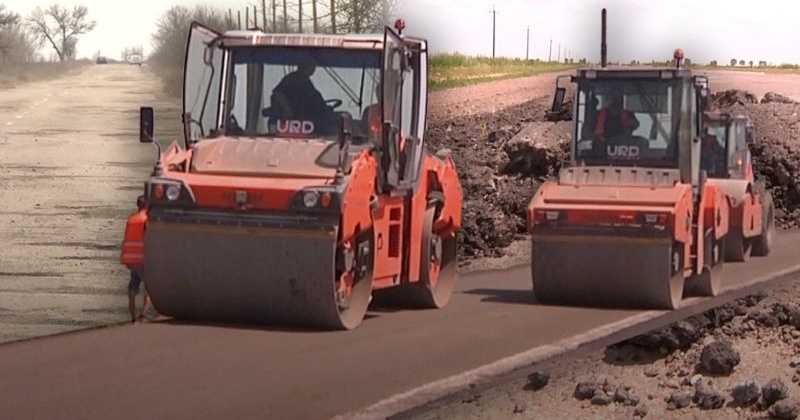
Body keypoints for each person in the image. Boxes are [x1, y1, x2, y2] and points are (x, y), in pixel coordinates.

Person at [270, 60, 334, 132]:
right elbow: (277, 93)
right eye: (311, 65)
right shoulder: (293, 79)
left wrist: (326, 109)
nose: (314, 68)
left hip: (310, 123)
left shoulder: (305, 81)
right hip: (298, 123)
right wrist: (287, 108)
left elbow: (315, 102)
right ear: (303, 65)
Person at [121, 195, 156, 323]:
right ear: (147, 206)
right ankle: (143, 314)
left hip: (131, 260)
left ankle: (133, 317)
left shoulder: (131, 219)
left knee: (132, 288)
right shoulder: (147, 220)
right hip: (143, 259)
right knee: (150, 288)